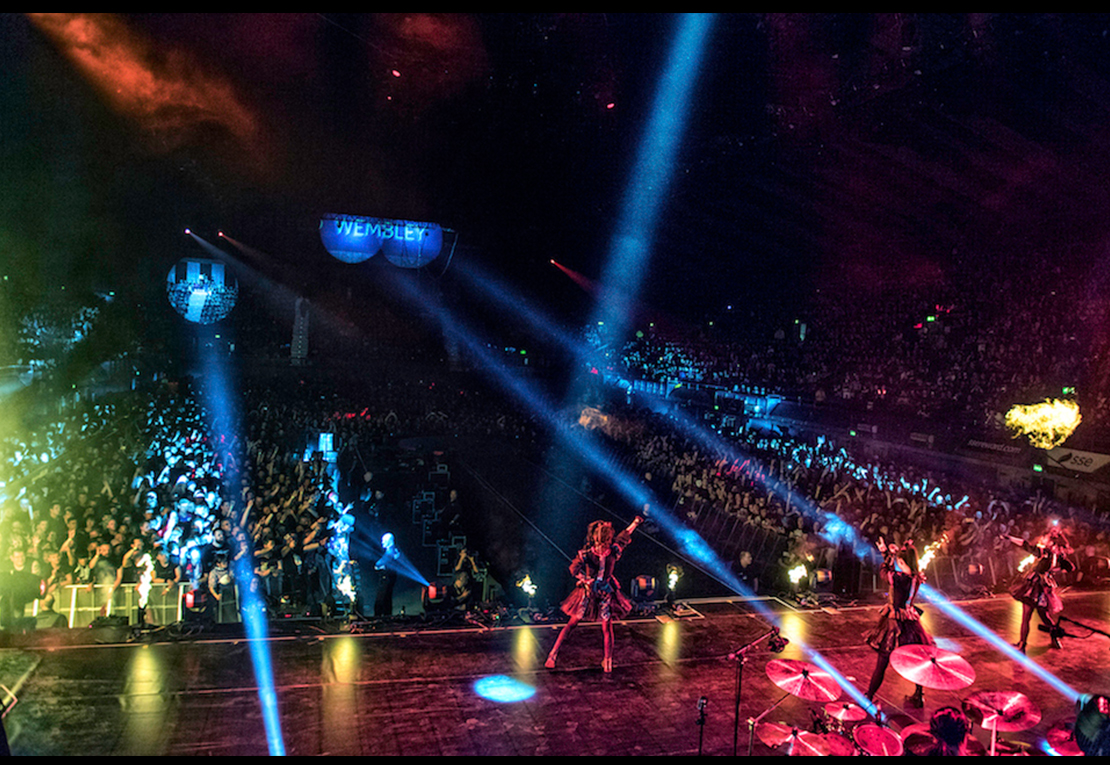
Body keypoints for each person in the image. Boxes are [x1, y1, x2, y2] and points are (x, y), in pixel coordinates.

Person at [545, 514, 645, 673]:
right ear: (598, 541)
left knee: (607, 627)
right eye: (602, 543)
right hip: (588, 593)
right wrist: (585, 579)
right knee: (572, 623)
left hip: (606, 593)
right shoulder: (586, 554)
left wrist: (635, 523)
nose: (604, 547)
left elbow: (624, 536)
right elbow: (573, 569)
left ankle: (607, 661)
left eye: (606, 543)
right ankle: (552, 655)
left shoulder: (613, 550)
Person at [864, 538, 930, 708]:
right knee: (916, 658)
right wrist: (890, 553)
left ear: (902, 562)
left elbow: (884, 572)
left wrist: (886, 555)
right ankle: (919, 694)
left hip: (895, 623)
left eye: (900, 562)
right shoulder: (916, 576)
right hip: (911, 620)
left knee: (883, 660)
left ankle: (869, 696)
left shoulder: (899, 578)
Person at [1004, 524, 1075, 653]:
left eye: (1046, 536)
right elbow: (1070, 568)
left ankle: (1022, 645)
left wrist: (1010, 538)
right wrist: (1053, 571)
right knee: (1044, 616)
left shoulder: (1046, 552)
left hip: (1035, 586)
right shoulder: (1058, 553)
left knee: (1026, 616)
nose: (1044, 538)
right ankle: (1055, 640)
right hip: (1045, 586)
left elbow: (1027, 546)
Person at [374, 532, 399, 617]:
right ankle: (387, 616)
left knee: (381, 598)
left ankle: (379, 617)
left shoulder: (389, 552)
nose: (382, 542)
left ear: (389, 541)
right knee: (387, 598)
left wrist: (378, 566)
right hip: (390, 577)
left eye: (384, 540)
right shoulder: (394, 550)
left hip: (386, 578)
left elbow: (378, 563)